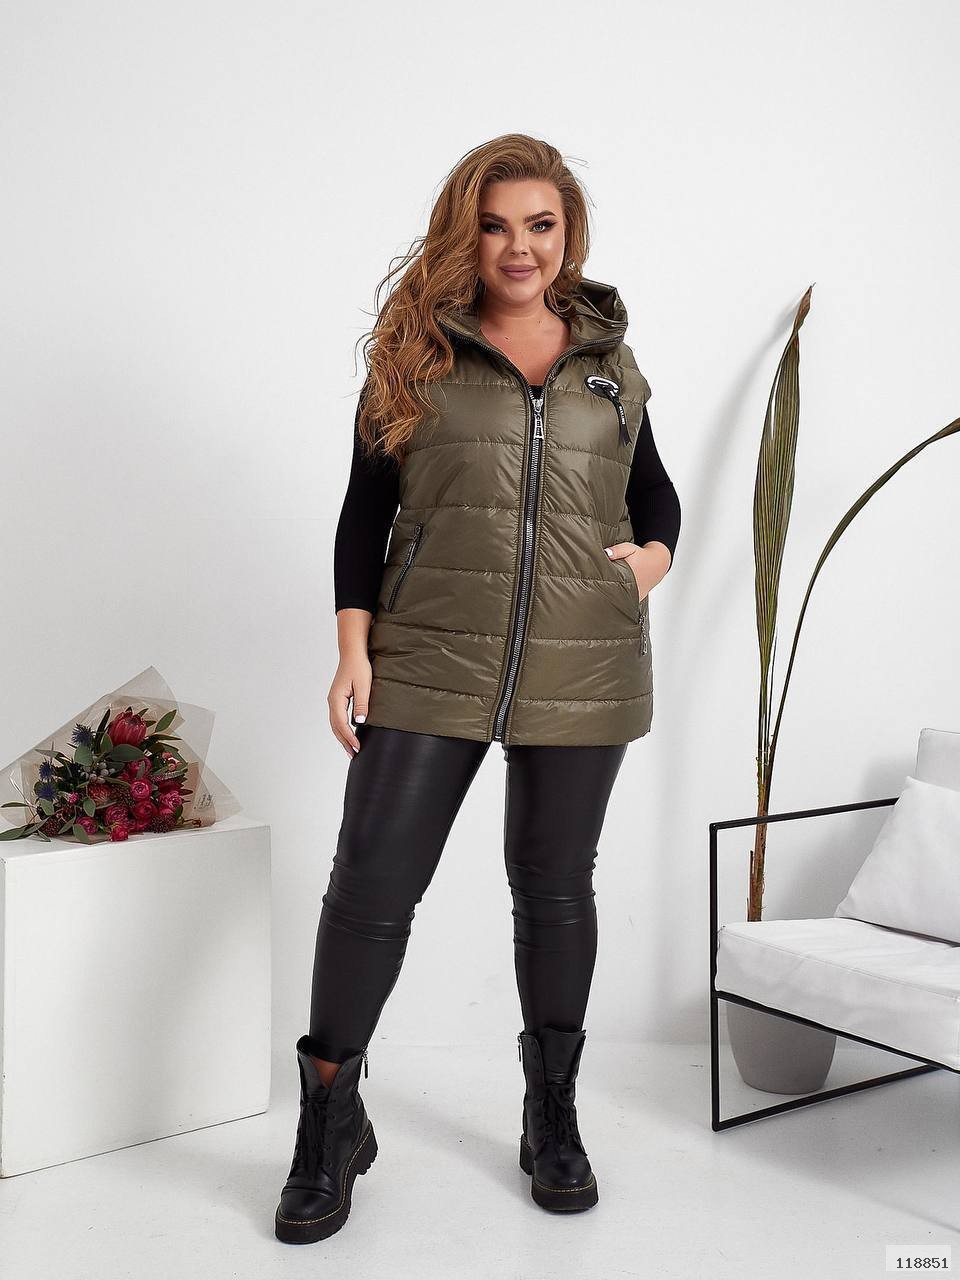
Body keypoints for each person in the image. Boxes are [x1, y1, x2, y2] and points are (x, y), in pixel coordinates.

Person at [275, 133, 681, 1244]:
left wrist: (645, 565)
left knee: (555, 889)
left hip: (582, 659)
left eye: (540, 225)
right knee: (371, 885)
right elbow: (364, 512)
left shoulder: (610, 361)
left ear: (568, 232)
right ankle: (329, 1126)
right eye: (496, 225)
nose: (519, 247)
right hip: (427, 654)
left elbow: (654, 494)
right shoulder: (417, 353)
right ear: (468, 231)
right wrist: (353, 649)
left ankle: (553, 1115)